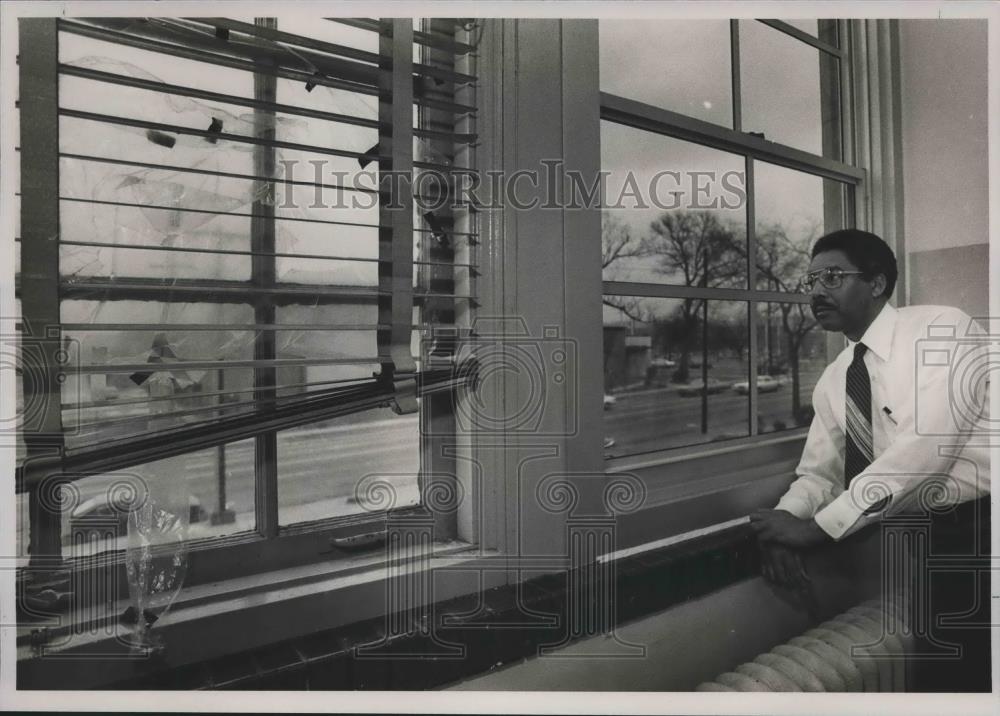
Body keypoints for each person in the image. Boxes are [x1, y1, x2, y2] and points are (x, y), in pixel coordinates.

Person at [748, 229, 991, 692]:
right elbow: (819, 473)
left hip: (987, 521)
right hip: (938, 537)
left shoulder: (942, 328)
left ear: (877, 283)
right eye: (812, 280)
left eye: (833, 276)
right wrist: (783, 520)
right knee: (951, 677)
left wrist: (818, 528)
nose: (818, 291)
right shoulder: (835, 380)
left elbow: (927, 446)